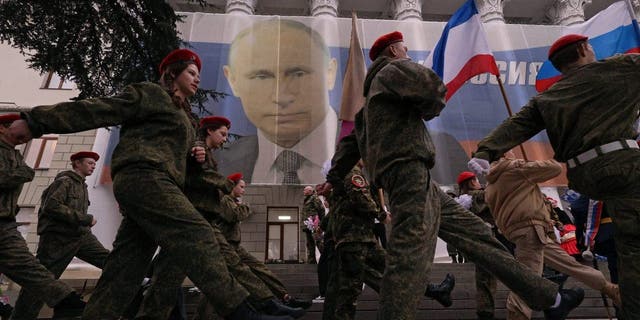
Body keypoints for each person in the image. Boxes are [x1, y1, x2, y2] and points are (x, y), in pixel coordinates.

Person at [7, 49, 291, 320]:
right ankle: (241, 309)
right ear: (172, 73)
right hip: (143, 176)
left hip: (159, 183)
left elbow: (186, 168)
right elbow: (100, 109)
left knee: (125, 270)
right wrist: (36, 122)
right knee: (196, 233)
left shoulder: (187, 118)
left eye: (198, 74)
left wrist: (196, 156)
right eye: (191, 72)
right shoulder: (151, 94)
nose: (197, 78)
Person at [318, 31, 583, 320]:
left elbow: (348, 145)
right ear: (393, 51)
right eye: (404, 49)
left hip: (412, 179)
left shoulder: (369, 106)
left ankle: (550, 298)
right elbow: (432, 87)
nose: (407, 53)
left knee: (479, 235)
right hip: (409, 174)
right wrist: (427, 108)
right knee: (409, 258)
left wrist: (332, 178)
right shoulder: (393, 69)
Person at [468, 33, 640, 318]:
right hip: (625, 165)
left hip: (586, 174)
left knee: (629, 245)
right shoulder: (618, 68)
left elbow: (517, 124)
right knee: (633, 244)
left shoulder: (549, 97)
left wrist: (485, 152)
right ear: (584, 49)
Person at [136, 116, 302, 319]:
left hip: (195, 225)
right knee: (220, 272)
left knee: (169, 280)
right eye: (222, 134)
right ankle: (262, 307)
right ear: (209, 131)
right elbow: (197, 160)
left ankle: (266, 305)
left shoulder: (209, 154)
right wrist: (225, 184)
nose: (225, 139)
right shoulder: (199, 148)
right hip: (195, 223)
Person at [484, 156, 620, 319]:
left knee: (569, 264)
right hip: (531, 230)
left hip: (521, 232)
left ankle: (610, 289)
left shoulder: (490, 186)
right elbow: (554, 168)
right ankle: (517, 315)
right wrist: (524, 164)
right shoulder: (515, 170)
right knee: (527, 281)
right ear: (504, 156)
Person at [215, 19, 338, 185]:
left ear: (330, 74)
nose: (281, 97)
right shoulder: (217, 162)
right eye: (261, 77)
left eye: (298, 73)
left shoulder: (369, 150)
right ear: (232, 81)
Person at [0, 114, 86, 318]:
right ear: (3, 128)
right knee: (27, 267)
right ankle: (67, 301)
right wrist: (25, 173)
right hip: (32, 232)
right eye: (25, 131)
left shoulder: (15, 155)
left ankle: (68, 301)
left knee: (27, 267)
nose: (28, 137)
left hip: (6, 223)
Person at [12, 151, 110, 320]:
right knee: (42, 283)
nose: (93, 166)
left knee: (112, 262)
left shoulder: (82, 186)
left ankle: (140, 285)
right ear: (77, 164)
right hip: (58, 240)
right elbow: (52, 206)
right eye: (89, 163)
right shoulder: (64, 182)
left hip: (80, 237)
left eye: (94, 164)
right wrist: (85, 219)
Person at [456, 170, 512, 320]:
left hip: (481, 238)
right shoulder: (481, 195)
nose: (478, 181)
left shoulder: (463, 200)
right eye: (475, 179)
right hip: (494, 236)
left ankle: (486, 307)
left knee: (485, 274)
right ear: (472, 182)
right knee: (497, 272)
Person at [302, 185, 324, 264]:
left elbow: (321, 209)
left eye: (305, 190)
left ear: (310, 191)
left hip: (314, 222)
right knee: (310, 243)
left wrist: (320, 222)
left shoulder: (314, 198)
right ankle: (311, 261)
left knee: (318, 240)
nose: (303, 191)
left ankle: (326, 257)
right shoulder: (307, 199)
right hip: (308, 224)